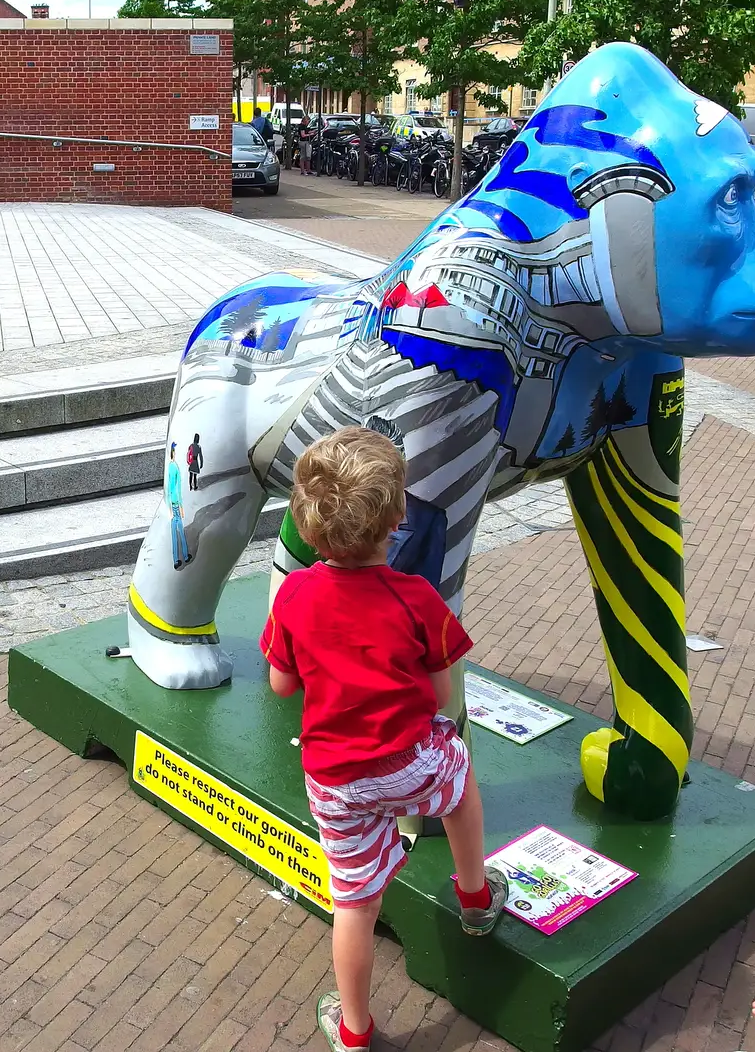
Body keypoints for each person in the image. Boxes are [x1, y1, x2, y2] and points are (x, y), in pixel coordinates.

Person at [261, 426, 507, 1052]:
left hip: (337, 781)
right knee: (460, 782)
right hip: (410, 762)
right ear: (398, 516)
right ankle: (475, 897)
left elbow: (281, 685)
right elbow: (442, 693)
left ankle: (354, 1032)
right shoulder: (417, 597)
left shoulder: (293, 594)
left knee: (355, 906)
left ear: (308, 523)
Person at [166, 442, 191, 569]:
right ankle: (185, 555)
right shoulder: (174, 467)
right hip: (175, 503)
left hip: (173, 503)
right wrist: (179, 507)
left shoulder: (171, 467)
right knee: (180, 531)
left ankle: (177, 558)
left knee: (175, 533)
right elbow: (175, 488)